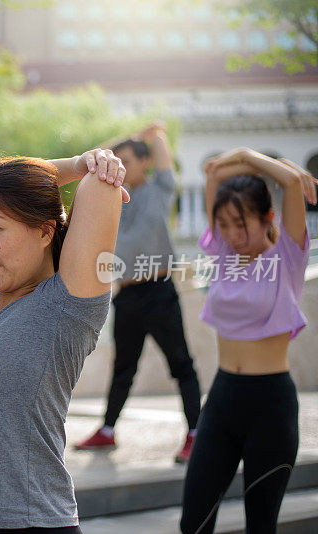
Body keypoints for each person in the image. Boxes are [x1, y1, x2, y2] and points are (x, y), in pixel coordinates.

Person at [0, 150, 129, 533]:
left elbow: (100, 188)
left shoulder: (64, 307)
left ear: (45, 230)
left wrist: (91, 165)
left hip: (28, 522)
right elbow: (2, 181)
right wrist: (75, 160)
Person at [180, 148, 316, 533]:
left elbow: (290, 183)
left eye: (242, 224)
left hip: (270, 405)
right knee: (194, 523)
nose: (233, 235)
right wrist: (248, 165)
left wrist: (246, 155)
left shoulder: (288, 258)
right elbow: (212, 174)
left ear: (269, 217)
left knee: (260, 525)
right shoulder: (224, 252)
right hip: (222, 399)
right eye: (224, 224)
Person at [75, 122, 202, 463]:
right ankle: (107, 432)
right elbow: (90, 161)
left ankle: (196, 433)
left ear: (145, 162)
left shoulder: (161, 188)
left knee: (181, 365)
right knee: (123, 369)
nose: (121, 166)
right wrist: (117, 146)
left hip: (160, 292)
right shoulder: (113, 197)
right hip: (127, 295)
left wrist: (150, 135)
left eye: (128, 160)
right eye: (118, 160)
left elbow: (160, 141)